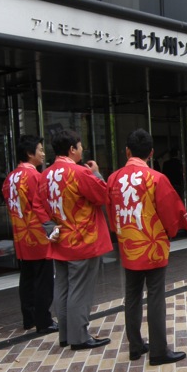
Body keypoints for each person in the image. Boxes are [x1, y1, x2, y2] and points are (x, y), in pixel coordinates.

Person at [107, 129, 187, 365]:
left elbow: (112, 214)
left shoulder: (113, 179)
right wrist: (171, 232)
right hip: (152, 243)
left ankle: (135, 346)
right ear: (151, 153)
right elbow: (171, 213)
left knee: (132, 294)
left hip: (128, 243)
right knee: (155, 294)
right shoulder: (156, 178)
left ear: (127, 151)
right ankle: (158, 350)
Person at [39, 129, 112, 350]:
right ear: (72, 149)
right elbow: (102, 195)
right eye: (80, 146)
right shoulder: (80, 172)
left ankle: (65, 334)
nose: (82, 150)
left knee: (62, 288)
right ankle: (79, 336)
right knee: (80, 290)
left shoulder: (46, 175)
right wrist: (96, 173)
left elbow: (39, 205)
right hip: (82, 238)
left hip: (60, 237)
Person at [1, 135, 57, 334]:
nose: (43, 153)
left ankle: (29, 318)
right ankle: (44, 321)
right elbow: (42, 205)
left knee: (27, 278)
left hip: (20, 234)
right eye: (40, 149)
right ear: (29, 153)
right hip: (38, 235)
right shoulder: (34, 176)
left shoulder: (10, 178)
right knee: (44, 280)